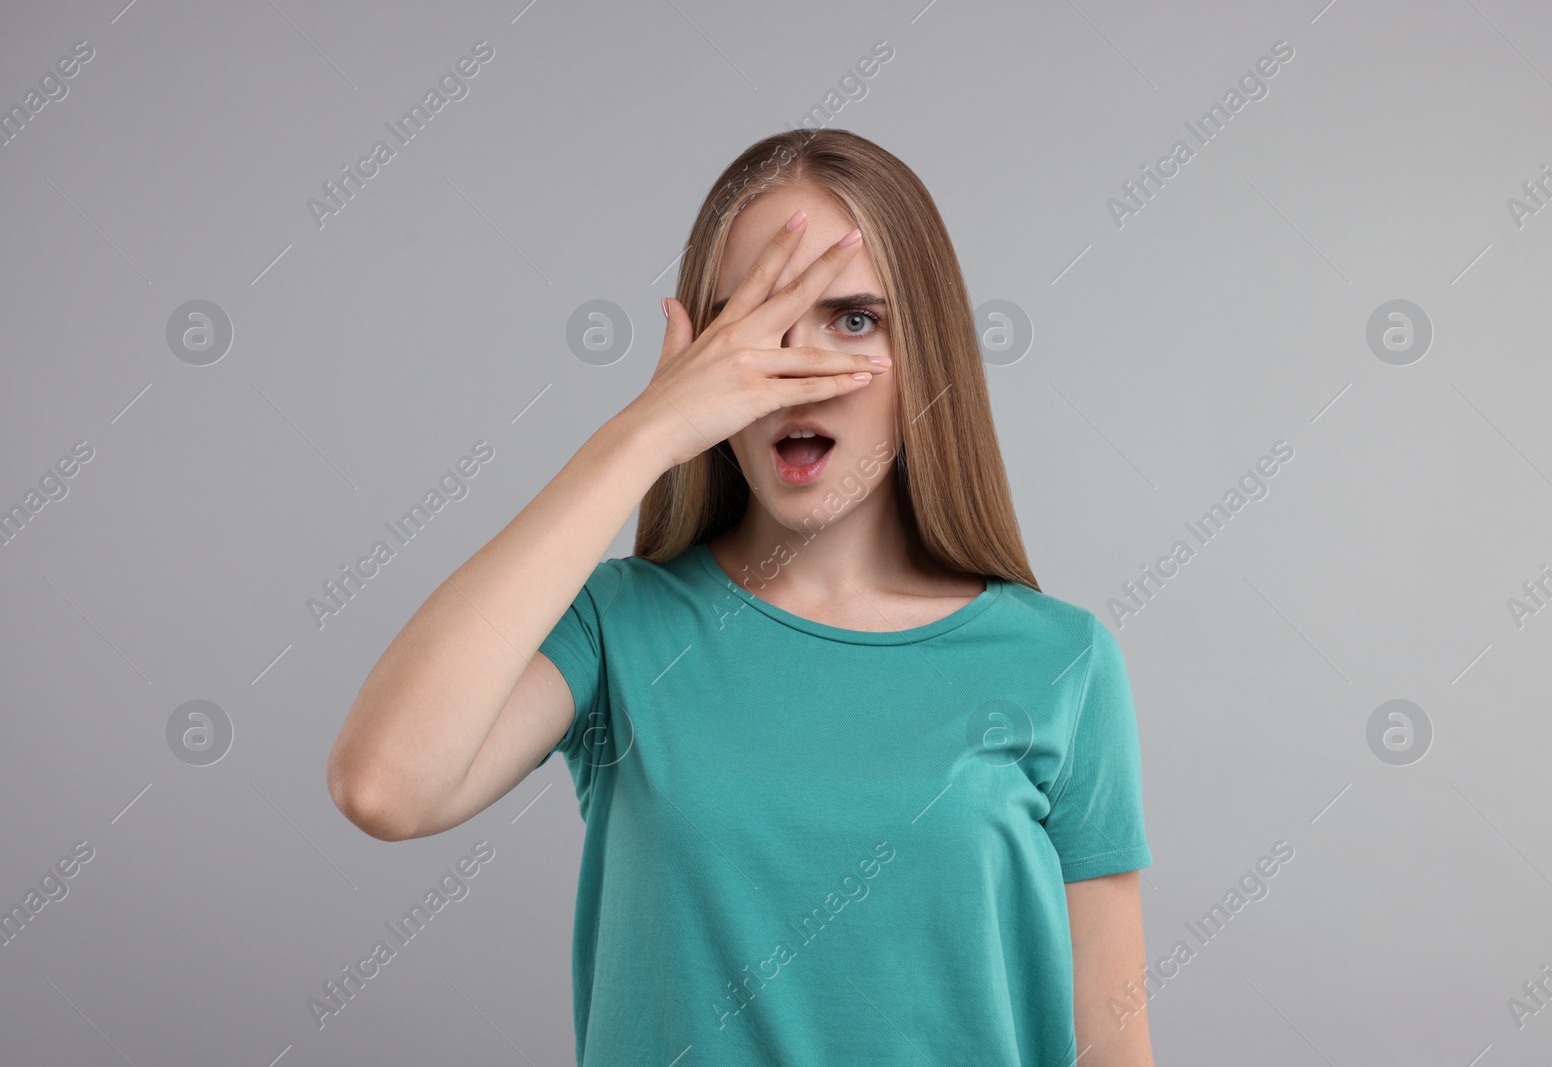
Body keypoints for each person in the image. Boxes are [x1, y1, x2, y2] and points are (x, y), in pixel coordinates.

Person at [326, 128, 1156, 1066]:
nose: (791, 373)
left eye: (851, 319)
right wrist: (643, 434)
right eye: (752, 327)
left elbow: (1113, 1047)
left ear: (928, 350)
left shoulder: (1061, 661)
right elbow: (384, 784)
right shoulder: (621, 629)